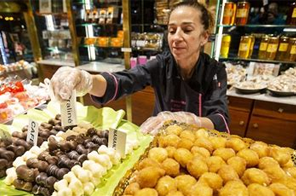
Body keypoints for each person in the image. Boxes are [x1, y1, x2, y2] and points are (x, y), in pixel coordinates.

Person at [50, 1, 230, 134]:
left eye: (187, 30)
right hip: (161, 138)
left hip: (198, 143)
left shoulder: (214, 70)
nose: (176, 37)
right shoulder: (162, 63)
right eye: (172, 30)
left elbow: (220, 119)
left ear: (204, 37)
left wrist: (190, 120)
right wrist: (87, 80)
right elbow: (125, 80)